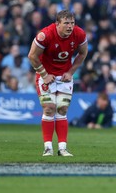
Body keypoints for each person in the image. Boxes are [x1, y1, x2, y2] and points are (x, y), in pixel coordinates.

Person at [27, 10, 88, 157]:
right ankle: (48, 148)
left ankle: (62, 148)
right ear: (57, 24)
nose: (70, 26)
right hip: (46, 76)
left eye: (72, 23)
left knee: (62, 109)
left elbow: (83, 53)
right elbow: (32, 56)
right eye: (66, 23)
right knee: (49, 108)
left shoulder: (79, 34)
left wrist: (71, 72)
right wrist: (44, 74)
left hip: (65, 77)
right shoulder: (45, 35)